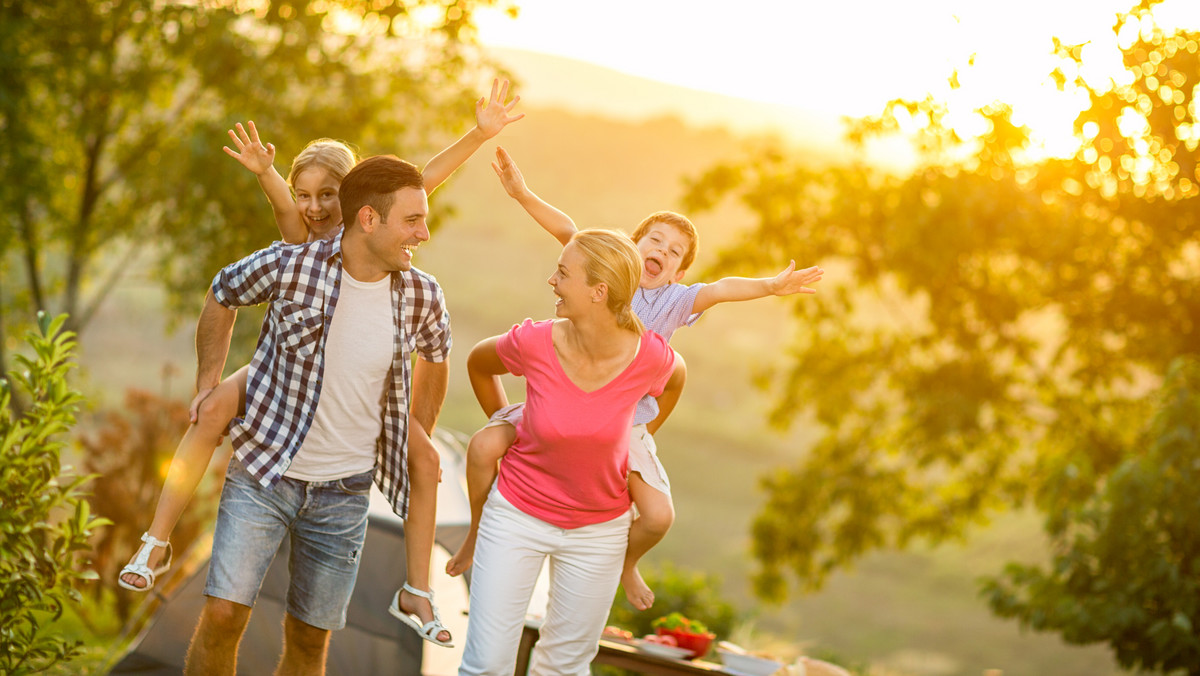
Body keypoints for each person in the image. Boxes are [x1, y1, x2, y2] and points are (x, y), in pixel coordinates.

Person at [118, 80, 522, 652]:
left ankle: (417, 588)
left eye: (327, 195)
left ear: (356, 205)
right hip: (272, 412)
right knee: (208, 415)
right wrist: (207, 380)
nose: (314, 208)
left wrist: (479, 136)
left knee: (426, 461)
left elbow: (422, 181)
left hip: (345, 485)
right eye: (304, 196)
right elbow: (237, 274)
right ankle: (155, 540)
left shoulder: (403, 260)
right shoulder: (298, 253)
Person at [446, 147, 824, 610]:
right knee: (483, 447)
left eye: (674, 252)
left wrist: (769, 286)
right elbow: (567, 228)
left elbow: (722, 288)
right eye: (655, 241)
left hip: (623, 424)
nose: (661, 252)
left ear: (681, 272)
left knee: (659, 516)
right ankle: (475, 531)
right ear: (632, 244)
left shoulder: (677, 301)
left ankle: (625, 563)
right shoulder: (607, 268)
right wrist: (522, 194)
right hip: (566, 402)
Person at [181, 154, 447, 675]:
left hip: (343, 496)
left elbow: (436, 359)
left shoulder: (423, 294)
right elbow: (222, 291)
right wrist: (207, 381)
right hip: (263, 475)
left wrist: (419, 431)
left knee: (308, 641)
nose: (424, 234)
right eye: (412, 221)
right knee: (221, 615)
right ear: (368, 219)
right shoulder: (295, 263)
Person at [458, 229, 685, 676]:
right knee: (486, 665)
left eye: (563, 273)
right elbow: (478, 364)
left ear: (599, 292)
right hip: (516, 517)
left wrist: (642, 432)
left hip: (598, 534)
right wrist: (510, 421)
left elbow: (675, 381)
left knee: (563, 668)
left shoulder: (650, 357)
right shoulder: (534, 341)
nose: (552, 281)